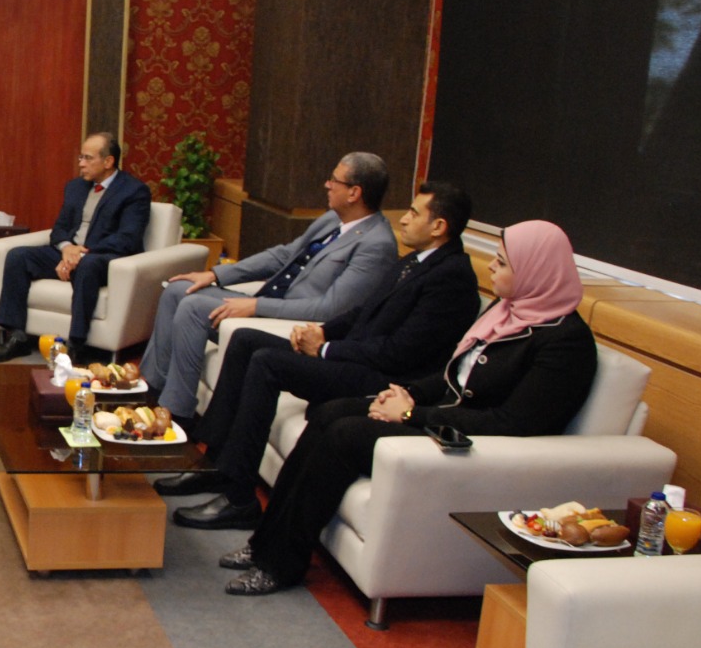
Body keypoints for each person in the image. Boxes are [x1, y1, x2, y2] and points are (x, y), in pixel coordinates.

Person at [221, 220, 598, 596]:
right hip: (438, 418)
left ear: (535, 271)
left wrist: (410, 414)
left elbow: (511, 423)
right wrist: (406, 393)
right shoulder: (507, 312)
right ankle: (264, 543)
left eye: (502, 262)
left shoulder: (565, 343)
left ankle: (280, 564)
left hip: (469, 441)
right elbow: (452, 375)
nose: (492, 268)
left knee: (343, 433)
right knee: (329, 412)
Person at [162, 181, 480, 530]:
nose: (403, 219)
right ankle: (216, 465)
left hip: (381, 378)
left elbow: (399, 353)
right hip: (355, 357)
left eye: (414, 213)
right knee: (246, 340)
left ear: (438, 226)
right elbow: (362, 313)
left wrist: (327, 349)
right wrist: (323, 332)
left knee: (268, 363)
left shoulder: (452, 279)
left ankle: (239, 499)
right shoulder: (415, 261)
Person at [140, 151, 400, 426]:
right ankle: (152, 393)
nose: (327, 185)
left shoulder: (376, 245)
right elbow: (283, 255)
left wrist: (256, 306)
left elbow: (331, 309)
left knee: (193, 306)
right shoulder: (332, 220)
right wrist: (215, 274)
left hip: (289, 321)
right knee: (178, 289)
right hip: (267, 300)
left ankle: (178, 413)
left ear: (354, 193)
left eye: (334, 180)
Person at [0, 131, 152, 363]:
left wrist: (81, 253)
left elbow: (127, 238)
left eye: (87, 158)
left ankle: (76, 345)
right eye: (80, 157)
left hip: (105, 258)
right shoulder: (75, 187)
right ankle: (17, 337)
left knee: (88, 265)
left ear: (108, 161)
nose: (81, 164)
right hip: (69, 253)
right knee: (18, 256)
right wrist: (66, 249)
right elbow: (60, 229)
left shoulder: (133, 191)